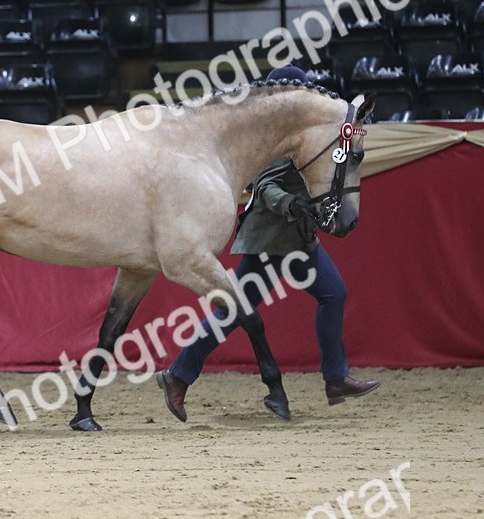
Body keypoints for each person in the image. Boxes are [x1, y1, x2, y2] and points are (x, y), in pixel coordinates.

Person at [156, 71, 379, 421]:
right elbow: (264, 188)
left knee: (333, 294)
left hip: (299, 239)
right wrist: (291, 204)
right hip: (270, 241)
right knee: (231, 312)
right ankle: (178, 376)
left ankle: (336, 378)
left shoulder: (308, 133)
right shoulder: (277, 136)